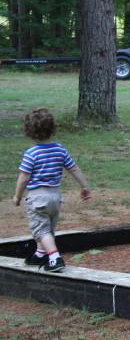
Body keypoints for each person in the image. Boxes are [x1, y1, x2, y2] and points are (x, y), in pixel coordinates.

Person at [13, 108, 91, 272]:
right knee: (48, 229)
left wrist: (17, 196)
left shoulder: (31, 153)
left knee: (41, 230)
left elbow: (24, 178)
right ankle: (40, 254)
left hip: (38, 197)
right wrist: (85, 186)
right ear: (53, 129)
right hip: (55, 196)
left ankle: (55, 258)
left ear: (28, 132)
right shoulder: (59, 149)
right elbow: (74, 168)